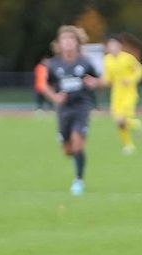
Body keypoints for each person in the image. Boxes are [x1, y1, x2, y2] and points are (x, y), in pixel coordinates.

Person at [41, 25, 100, 196]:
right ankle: (70, 147)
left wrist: (94, 83)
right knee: (68, 149)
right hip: (64, 110)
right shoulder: (53, 64)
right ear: (59, 43)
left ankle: (78, 180)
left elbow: (98, 80)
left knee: (77, 141)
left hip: (82, 106)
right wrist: (55, 97)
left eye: (71, 39)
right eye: (64, 39)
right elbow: (46, 86)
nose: (67, 42)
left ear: (77, 42)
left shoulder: (86, 62)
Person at [103, 34, 142, 155]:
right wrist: (100, 82)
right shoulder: (107, 60)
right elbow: (108, 78)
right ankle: (128, 145)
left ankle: (135, 124)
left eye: (114, 45)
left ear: (120, 46)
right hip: (116, 94)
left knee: (122, 119)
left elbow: (141, 71)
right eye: (110, 45)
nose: (112, 47)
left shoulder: (128, 58)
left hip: (129, 93)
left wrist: (131, 79)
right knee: (118, 122)